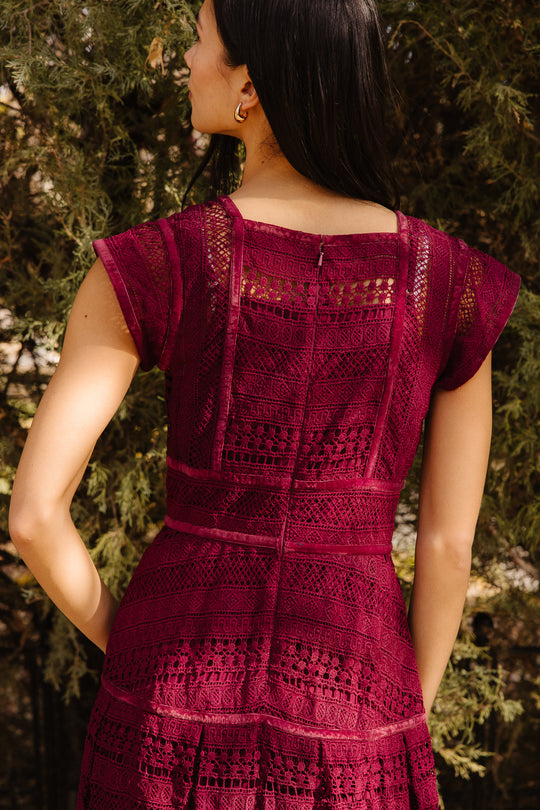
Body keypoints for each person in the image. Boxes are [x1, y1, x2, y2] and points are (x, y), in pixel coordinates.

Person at [9, 0, 520, 807]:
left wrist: (137, 642)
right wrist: (400, 716)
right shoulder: (447, 284)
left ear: (249, 83)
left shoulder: (158, 262)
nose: (184, 58)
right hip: (356, 698)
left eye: (198, 41)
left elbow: (35, 515)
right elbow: (449, 546)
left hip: (168, 692)